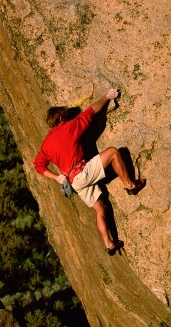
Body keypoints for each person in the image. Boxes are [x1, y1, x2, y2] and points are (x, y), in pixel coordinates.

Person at [34, 88, 146, 255]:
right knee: (114, 153)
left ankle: (109, 244)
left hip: (73, 182)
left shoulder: (46, 144)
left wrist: (57, 177)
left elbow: (38, 165)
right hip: (83, 173)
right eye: (64, 116)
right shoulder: (69, 127)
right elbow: (90, 111)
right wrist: (107, 96)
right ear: (61, 119)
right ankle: (130, 185)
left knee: (100, 208)